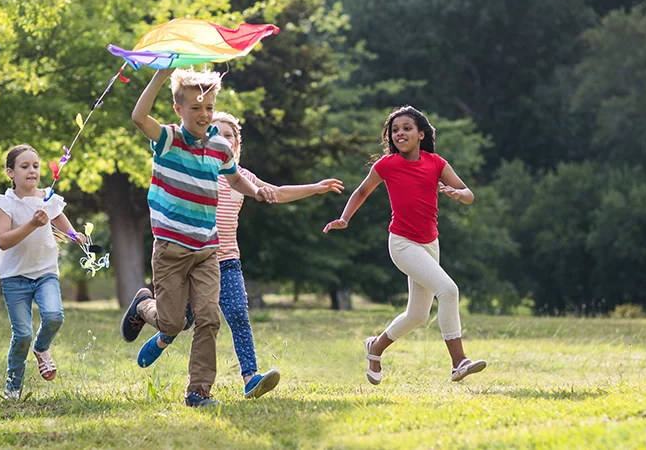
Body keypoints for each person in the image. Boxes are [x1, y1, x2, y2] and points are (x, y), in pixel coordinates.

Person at [136, 111, 343, 399]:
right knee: (179, 320)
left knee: (236, 315)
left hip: (226, 260)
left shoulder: (241, 177)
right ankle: (149, 315)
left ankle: (249, 377)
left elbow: (276, 192)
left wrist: (315, 188)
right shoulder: (197, 167)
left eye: (229, 135)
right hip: (188, 257)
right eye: (216, 133)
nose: (222, 138)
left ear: (236, 144)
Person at [119, 68, 276, 407]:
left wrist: (256, 191)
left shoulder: (220, 146)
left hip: (207, 248)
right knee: (173, 322)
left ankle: (198, 391)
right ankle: (144, 305)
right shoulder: (168, 139)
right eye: (196, 108)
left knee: (208, 318)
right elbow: (138, 116)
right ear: (179, 109)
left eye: (209, 108)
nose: (205, 115)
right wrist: (161, 75)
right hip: (171, 249)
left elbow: (235, 180)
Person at [323, 105, 487, 385]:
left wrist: (458, 195)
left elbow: (469, 194)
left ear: (421, 134)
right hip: (402, 243)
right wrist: (344, 218)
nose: (400, 133)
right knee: (448, 291)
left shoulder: (436, 163)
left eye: (407, 128)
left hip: (430, 243)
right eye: (395, 130)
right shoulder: (386, 165)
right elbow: (362, 191)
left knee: (417, 314)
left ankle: (375, 348)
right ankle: (459, 362)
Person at [0, 144, 79, 400]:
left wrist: (74, 235)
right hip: (15, 277)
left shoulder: (47, 197)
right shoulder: (7, 203)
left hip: (45, 271)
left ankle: (41, 348)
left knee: (54, 316)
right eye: (24, 166)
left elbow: (58, 216)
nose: (32, 171)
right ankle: (13, 386)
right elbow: (3, 241)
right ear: (10, 172)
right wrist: (32, 224)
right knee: (22, 333)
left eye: (35, 166)